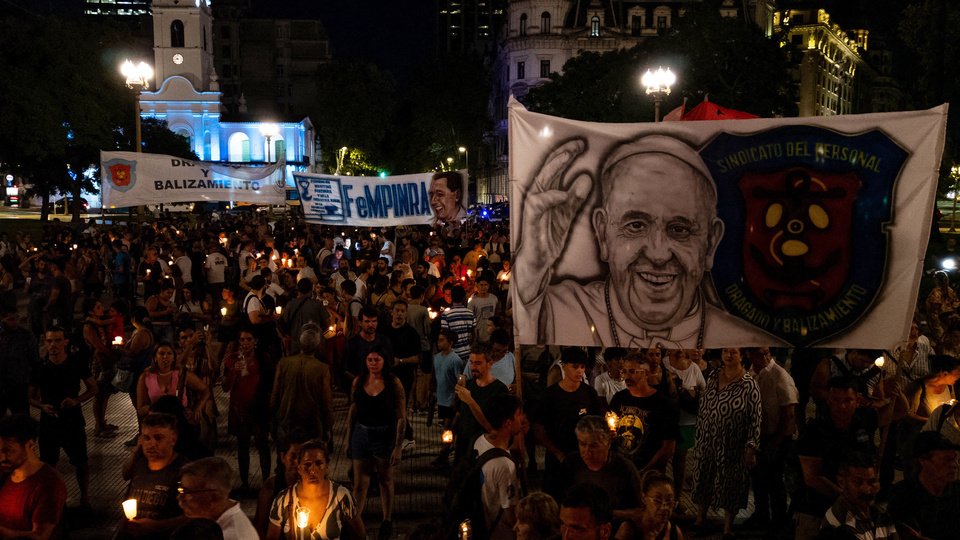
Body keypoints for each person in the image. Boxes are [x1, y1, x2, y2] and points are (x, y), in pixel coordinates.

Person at [514, 134, 783, 347]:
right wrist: (531, 268)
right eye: (636, 225)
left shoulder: (747, 341)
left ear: (710, 244)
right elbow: (521, 328)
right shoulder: (557, 311)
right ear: (603, 234)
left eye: (680, 229)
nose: (658, 254)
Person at [795, 377, 879, 540]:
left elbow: (898, 411)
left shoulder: (861, 424)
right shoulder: (814, 431)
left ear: (858, 400)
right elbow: (812, 477)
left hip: (854, 510)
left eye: (848, 400)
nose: (842, 406)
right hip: (815, 509)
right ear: (828, 399)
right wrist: (847, 497)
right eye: (836, 400)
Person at [691, 348, 762, 538]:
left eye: (734, 352)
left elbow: (756, 418)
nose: (728, 355)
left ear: (742, 356)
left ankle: (728, 527)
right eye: (726, 351)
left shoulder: (749, 384)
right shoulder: (714, 375)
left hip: (733, 443)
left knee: (731, 483)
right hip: (707, 438)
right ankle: (700, 518)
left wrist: (751, 447)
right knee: (704, 476)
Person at [29, 326, 98, 510]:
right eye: (50, 341)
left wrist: (76, 400)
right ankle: (53, 499)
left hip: (72, 420)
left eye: (58, 340)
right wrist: (42, 406)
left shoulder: (76, 363)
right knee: (49, 463)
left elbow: (93, 387)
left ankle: (84, 498)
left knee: (81, 461)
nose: (53, 345)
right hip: (49, 422)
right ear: (45, 342)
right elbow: (30, 396)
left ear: (65, 342)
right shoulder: (40, 367)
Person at [347, 347, 405, 539]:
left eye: (376, 360)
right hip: (361, 433)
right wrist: (349, 438)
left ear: (384, 361)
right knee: (360, 482)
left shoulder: (393, 383)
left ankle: (386, 519)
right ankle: (355, 522)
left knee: (385, 479)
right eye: (369, 360)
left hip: (384, 434)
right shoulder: (358, 381)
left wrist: (398, 446)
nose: (373, 363)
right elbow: (353, 410)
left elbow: (401, 416)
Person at [554, 415, 643, 538]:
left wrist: (606, 514)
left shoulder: (625, 469)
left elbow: (638, 513)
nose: (587, 451)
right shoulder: (571, 464)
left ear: (608, 443)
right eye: (582, 444)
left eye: (594, 446)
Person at [533, 347, 606, 494]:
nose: (579, 371)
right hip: (556, 460)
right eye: (575, 367)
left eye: (582, 367)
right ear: (564, 366)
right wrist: (557, 453)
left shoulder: (589, 393)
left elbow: (599, 424)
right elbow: (538, 430)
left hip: (583, 460)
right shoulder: (550, 395)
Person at [267, 440, 364, 540]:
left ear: (327, 466)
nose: (313, 470)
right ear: (299, 468)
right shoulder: (283, 500)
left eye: (318, 463)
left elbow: (360, 536)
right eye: (307, 464)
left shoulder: (342, 497)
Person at [745, 346, 798, 530]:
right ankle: (761, 515)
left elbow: (789, 413)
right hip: (758, 435)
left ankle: (779, 520)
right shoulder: (751, 374)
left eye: (768, 353)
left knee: (775, 480)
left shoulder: (780, 375)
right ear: (750, 355)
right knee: (758, 479)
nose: (766, 357)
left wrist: (777, 441)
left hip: (778, 435)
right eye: (761, 354)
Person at [120, 413, 191, 539]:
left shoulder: (185, 471)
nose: (152, 444)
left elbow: (195, 515)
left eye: (158, 438)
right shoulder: (140, 465)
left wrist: (156, 526)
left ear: (173, 439)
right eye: (146, 438)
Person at [608, 351, 679, 474]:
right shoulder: (619, 398)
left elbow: (668, 447)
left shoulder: (663, 404)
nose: (627, 376)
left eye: (632, 371)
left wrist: (645, 471)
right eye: (624, 371)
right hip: (620, 470)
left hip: (648, 473)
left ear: (646, 373)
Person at [0, 414, 67, 540]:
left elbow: (40, 536)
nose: (2, 458)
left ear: (30, 445)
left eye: (8, 451)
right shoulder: (5, 474)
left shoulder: (48, 484)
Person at [222, 329, 271, 493]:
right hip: (239, 408)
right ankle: (244, 482)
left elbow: (269, 383)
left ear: (255, 341)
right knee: (242, 445)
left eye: (249, 339)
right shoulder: (231, 359)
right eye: (242, 340)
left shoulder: (263, 358)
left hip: (258, 407)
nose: (245, 343)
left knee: (262, 444)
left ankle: (266, 481)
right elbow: (224, 387)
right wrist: (234, 372)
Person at [887, 431, 960, 540]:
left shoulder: (957, 492)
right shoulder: (902, 495)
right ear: (922, 460)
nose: (955, 465)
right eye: (947, 460)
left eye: (955, 459)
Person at [270, 326, 334, 447]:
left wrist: (272, 418)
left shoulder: (284, 363)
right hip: (311, 420)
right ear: (317, 344)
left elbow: (275, 393)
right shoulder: (322, 368)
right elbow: (327, 400)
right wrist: (328, 425)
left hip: (287, 418)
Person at [473, 394, 525, 539]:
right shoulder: (505, 466)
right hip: (501, 533)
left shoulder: (480, 441)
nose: (522, 418)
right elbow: (511, 514)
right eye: (519, 414)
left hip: (484, 527)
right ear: (508, 423)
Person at [817, 453, 897, 540]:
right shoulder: (838, 523)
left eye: (872, 482)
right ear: (842, 482)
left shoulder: (881, 513)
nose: (866, 490)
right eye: (857, 482)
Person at [454, 342, 510, 462]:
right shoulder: (467, 385)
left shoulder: (499, 390)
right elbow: (460, 415)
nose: (473, 367)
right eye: (471, 362)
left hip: (483, 453)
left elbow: (493, 430)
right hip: (463, 450)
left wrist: (470, 401)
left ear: (490, 363)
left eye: (478, 363)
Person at [178, 457, 258, 540]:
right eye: (180, 489)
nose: (180, 497)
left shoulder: (233, 536)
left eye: (187, 492)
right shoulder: (210, 518)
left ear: (213, 497)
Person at [136, 342, 210, 423]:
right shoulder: (145, 377)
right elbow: (140, 410)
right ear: (155, 358)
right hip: (158, 422)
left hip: (180, 421)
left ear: (174, 358)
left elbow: (205, 390)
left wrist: (198, 408)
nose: (165, 357)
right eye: (161, 353)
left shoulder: (181, 374)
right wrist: (157, 408)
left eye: (169, 353)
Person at [0, 304, 39, 415]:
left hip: (19, 386)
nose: (16, 322)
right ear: (2, 320)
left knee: (21, 419)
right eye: (11, 319)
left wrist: (35, 386)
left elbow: (35, 361)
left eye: (17, 318)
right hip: (1, 386)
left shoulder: (26, 335)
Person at [280, 278, 328, 355]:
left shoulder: (290, 305)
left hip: (296, 343)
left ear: (298, 289)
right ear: (311, 289)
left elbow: (285, 322)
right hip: (314, 343)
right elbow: (326, 323)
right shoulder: (317, 305)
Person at [636, 470, 684, 540]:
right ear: (643, 498)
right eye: (657, 500)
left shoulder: (675, 533)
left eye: (669, 501)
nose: (664, 507)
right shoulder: (629, 530)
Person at [440, 285, 474, 363]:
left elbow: (444, 336)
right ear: (464, 297)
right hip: (468, 354)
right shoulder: (470, 313)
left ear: (452, 297)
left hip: (453, 355)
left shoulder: (446, 315)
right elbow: (473, 334)